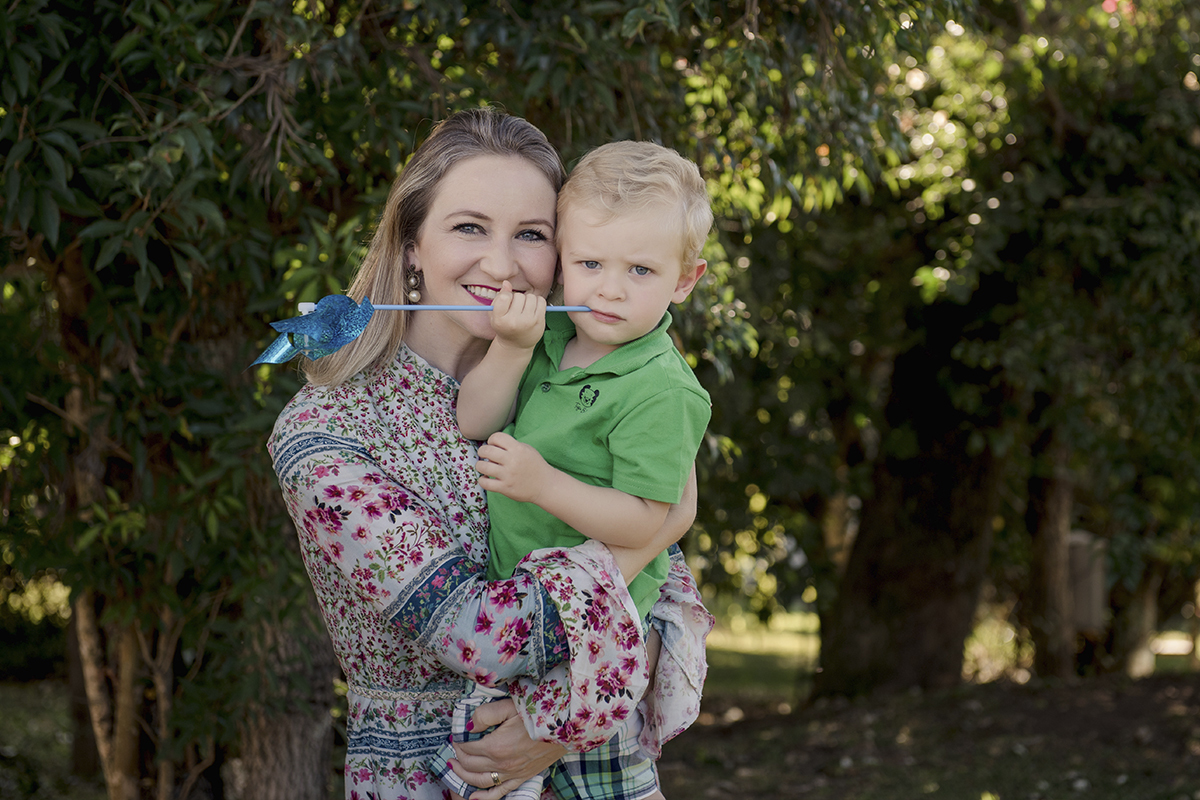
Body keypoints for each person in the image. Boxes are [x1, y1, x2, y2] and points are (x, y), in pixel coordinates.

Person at [267, 108, 714, 800]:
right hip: (437, 773)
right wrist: (667, 523)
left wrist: (563, 719)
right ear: (412, 243)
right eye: (469, 227)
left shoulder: (574, 377)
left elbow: (665, 600)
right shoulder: (326, 435)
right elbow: (483, 638)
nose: (502, 264)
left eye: (531, 235)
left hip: (596, 759)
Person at [429, 141, 713, 800]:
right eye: (589, 263)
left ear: (684, 280)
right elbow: (474, 420)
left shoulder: (660, 388)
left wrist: (542, 484)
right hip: (521, 611)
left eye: (640, 270)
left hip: (597, 633)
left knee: (609, 786)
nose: (608, 289)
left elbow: (647, 521)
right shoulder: (551, 339)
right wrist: (510, 345)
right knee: (490, 774)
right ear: (562, 262)